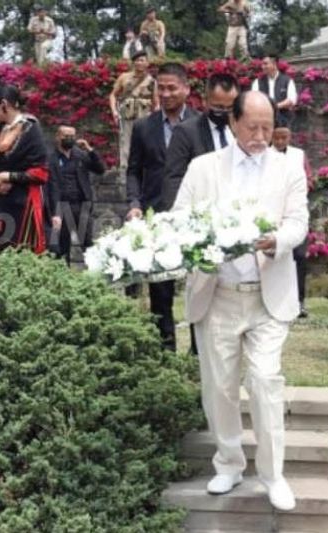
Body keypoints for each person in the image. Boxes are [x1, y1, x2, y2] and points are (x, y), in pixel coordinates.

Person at [172, 90, 308, 512]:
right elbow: (179, 217)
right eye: (253, 127)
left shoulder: (289, 168)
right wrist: (202, 242)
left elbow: (298, 222)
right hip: (217, 296)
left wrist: (276, 242)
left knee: (266, 381)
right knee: (220, 387)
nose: (261, 136)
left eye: (268, 127)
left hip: (267, 298)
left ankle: (272, 474)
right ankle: (228, 463)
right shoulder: (203, 168)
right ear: (232, 123)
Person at [126, 62, 197, 351]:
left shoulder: (199, 125)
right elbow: (133, 170)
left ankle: (198, 349)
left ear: (186, 89)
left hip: (193, 216)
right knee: (160, 291)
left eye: (172, 88)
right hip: (155, 215)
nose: (166, 94)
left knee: (198, 287)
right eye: (161, 88)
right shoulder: (144, 127)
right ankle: (164, 350)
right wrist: (134, 203)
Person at [0, 85, 50, 254]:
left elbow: (40, 172)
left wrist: (7, 176)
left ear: (4, 104)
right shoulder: (1, 128)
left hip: (21, 205)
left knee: (18, 253)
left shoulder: (31, 129)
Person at [163, 73, 240, 210]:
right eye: (218, 107)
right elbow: (174, 179)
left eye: (230, 108)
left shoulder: (242, 129)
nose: (224, 112)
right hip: (201, 211)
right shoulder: (186, 132)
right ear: (206, 101)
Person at [270, 117, 311, 318]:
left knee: (300, 257)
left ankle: (300, 301)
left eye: (284, 137)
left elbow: (308, 180)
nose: (279, 142)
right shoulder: (265, 154)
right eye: (276, 138)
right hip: (273, 214)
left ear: (290, 136)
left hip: (295, 212)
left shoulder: (298, 155)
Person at [47, 126, 105, 263]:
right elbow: (52, 186)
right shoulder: (52, 159)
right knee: (61, 247)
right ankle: (63, 279)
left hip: (82, 205)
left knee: (89, 244)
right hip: (62, 207)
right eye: (66, 136)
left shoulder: (80, 155)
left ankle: (94, 277)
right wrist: (55, 213)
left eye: (72, 136)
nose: (70, 139)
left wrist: (90, 149)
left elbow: (100, 169)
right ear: (58, 137)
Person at [109, 50, 157, 170]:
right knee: (126, 142)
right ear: (133, 62)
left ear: (147, 63)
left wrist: (156, 116)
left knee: (145, 142)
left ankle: (144, 167)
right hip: (127, 115)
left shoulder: (151, 81)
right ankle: (125, 169)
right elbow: (113, 95)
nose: (139, 63)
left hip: (145, 116)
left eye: (142, 60)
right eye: (137, 60)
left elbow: (156, 102)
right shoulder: (124, 77)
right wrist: (114, 111)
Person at [255, 54, 297, 124]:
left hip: (284, 121)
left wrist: (274, 107)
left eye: (265, 64)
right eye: (262, 64)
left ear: (274, 64)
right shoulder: (257, 82)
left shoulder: (287, 80)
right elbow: (254, 100)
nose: (262, 67)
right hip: (264, 120)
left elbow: (291, 100)